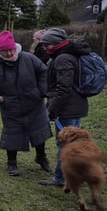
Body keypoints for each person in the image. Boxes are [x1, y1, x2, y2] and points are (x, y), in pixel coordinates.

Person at [0, 30, 53, 176]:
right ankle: (12, 163)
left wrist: (42, 91)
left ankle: (41, 158)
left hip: (34, 103)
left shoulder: (29, 58)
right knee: (12, 134)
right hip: (11, 107)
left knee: (39, 133)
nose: (10, 54)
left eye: (11, 50)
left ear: (15, 47)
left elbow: (43, 71)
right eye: (5, 51)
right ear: (0, 51)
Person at [37, 27, 91, 187]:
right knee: (71, 144)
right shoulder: (68, 55)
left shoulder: (63, 59)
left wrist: (52, 110)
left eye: (47, 45)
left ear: (56, 43)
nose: (45, 48)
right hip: (73, 106)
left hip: (67, 109)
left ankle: (61, 178)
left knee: (65, 144)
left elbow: (63, 88)